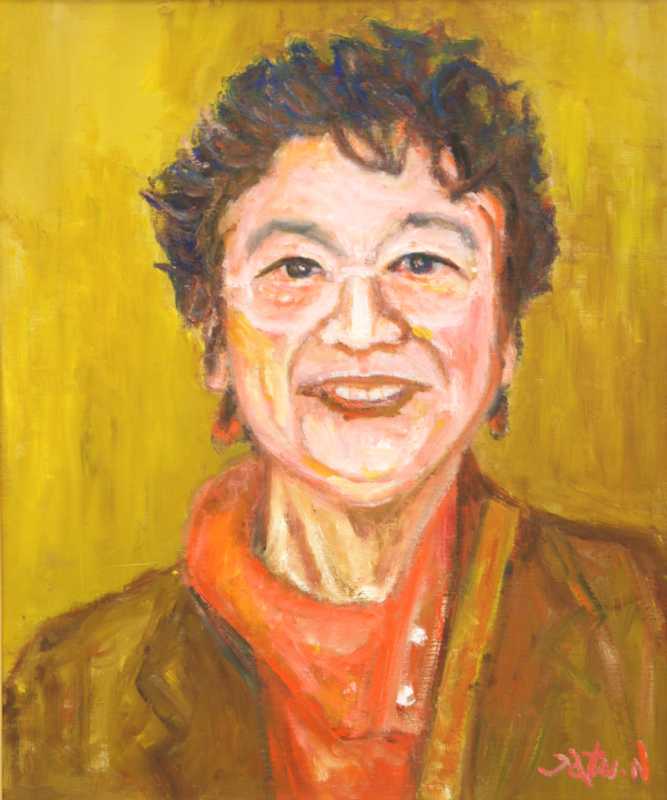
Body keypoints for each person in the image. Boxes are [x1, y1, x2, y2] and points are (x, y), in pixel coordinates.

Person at [3, 21, 665, 800]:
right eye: (296, 267)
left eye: (421, 261)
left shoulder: (638, 622)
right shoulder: (71, 694)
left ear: (506, 333)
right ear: (215, 336)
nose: (360, 329)